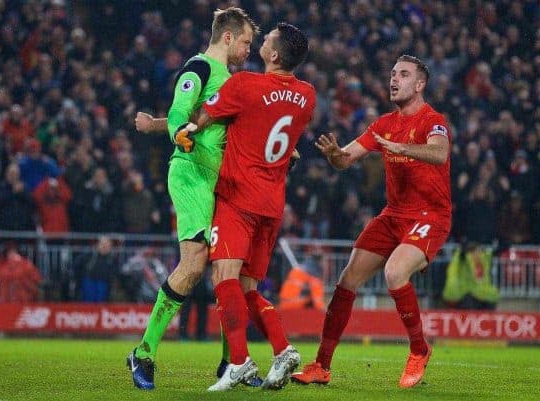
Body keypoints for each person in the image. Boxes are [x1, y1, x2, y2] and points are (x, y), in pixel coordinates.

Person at [291, 55, 452, 389]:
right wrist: (334, 154)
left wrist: (403, 147)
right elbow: (345, 159)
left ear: (419, 85)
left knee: (395, 272)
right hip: (393, 215)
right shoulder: (383, 124)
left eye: (404, 75)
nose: (394, 80)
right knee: (347, 279)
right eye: (393, 74)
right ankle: (321, 365)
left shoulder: (432, 120)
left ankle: (419, 350)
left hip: (429, 216)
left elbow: (439, 153)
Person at [126, 7, 259, 391]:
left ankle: (230, 364)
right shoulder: (198, 68)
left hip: (221, 182)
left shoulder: (231, 80)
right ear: (229, 37)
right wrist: (176, 131)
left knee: (227, 270)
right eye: (246, 42)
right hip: (191, 175)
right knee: (195, 261)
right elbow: (180, 112)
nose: (249, 49)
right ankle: (144, 353)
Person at [188, 22, 315, 392]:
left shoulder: (244, 85)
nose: (261, 41)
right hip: (272, 205)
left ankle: (239, 362)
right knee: (247, 290)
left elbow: (203, 119)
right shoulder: (308, 95)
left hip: (238, 197)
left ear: (274, 55)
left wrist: (171, 126)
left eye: (268, 38)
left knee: (223, 279)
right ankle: (283, 349)